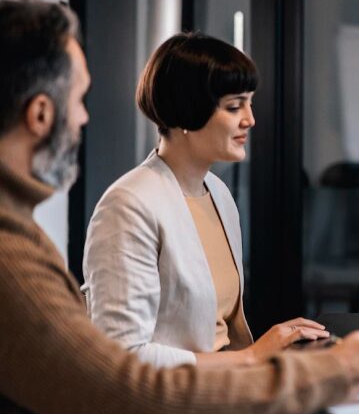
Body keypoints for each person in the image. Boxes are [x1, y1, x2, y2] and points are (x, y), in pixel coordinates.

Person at [0, 0, 359, 414]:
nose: (85, 118)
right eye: (78, 101)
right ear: (41, 114)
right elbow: (121, 386)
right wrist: (313, 372)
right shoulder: (21, 248)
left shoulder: (217, 195)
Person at [82, 33, 328, 368]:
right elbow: (124, 355)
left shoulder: (218, 193)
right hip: (175, 407)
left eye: (249, 103)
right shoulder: (128, 205)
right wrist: (252, 357)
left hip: (226, 389)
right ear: (187, 111)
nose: (250, 120)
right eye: (233, 106)